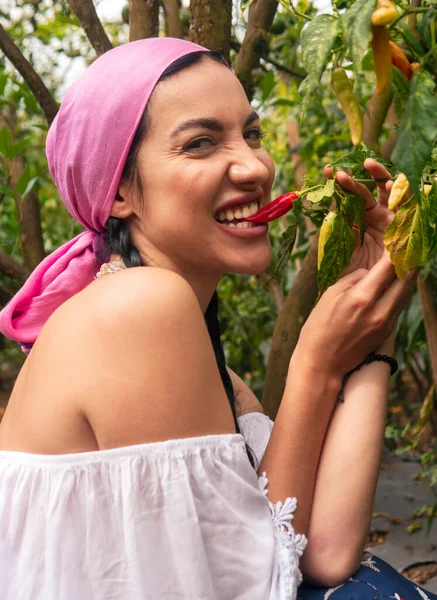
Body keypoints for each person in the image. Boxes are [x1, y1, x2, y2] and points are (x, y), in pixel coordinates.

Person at [0, 37, 433, 600]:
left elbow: (321, 550)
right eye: (201, 143)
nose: (255, 166)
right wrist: (315, 359)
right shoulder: (138, 306)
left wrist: (377, 309)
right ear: (122, 190)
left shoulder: (212, 375)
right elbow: (246, 585)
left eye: (251, 134)